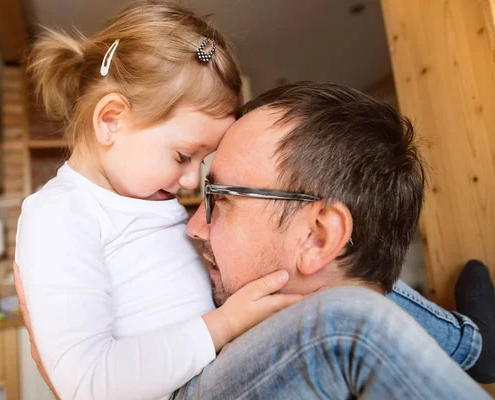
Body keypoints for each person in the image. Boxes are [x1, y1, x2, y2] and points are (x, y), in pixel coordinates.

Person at [15, 2, 304, 400]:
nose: (191, 180)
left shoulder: (148, 197)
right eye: (184, 156)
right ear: (111, 120)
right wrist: (225, 323)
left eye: (203, 161)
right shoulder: (58, 214)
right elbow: (86, 382)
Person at [172, 81, 490, 399]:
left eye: (221, 198)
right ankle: (470, 343)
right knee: (346, 274)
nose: (195, 227)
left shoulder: (344, 324)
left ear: (318, 237)